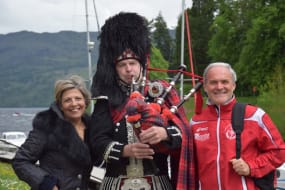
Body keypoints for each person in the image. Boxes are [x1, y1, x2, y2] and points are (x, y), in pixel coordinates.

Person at [89, 12, 195, 190]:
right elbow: (97, 141)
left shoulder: (161, 93)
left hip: (157, 183)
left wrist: (165, 134)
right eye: (122, 65)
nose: (128, 69)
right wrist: (124, 150)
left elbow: (185, 133)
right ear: (115, 69)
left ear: (141, 65)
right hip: (116, 184)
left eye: (132, 63)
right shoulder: (105, 99)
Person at [190, 62, 285, 189]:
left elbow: (279, 152)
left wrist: (251, 167)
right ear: (205, 87)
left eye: (225, 82)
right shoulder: (196, 122)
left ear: (233, 85)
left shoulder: (254, 116)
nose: (219, 87)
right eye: (213, 82)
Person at [12, 75, 93, 190]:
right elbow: (20, 161)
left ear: (85, 101)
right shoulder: (47, 126)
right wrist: (47, 184)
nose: (74, 104)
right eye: (67, 100)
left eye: (78, 98)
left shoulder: (92, 127)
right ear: (60, 105)